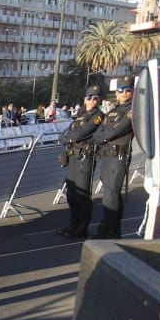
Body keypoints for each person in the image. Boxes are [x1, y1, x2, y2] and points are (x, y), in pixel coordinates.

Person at [55, 86, 107, 240]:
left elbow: (82, 133)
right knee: (71, 193)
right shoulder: (80, 116)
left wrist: (71, 137)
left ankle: (82, 227)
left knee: (82, 194)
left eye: (96, 98)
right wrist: (70, 137)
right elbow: (63, 135)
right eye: (90, 97)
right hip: (73, 156)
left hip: (85, 156)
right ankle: (73, 224)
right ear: (85, 99)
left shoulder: (98, 116)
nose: (92, 100)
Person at [92, 76, 136, 239]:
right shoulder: (113, 111)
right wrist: (102, 137)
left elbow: (116, 131)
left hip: (118, 156)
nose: (123, 93)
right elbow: (99, 131)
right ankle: (114, 228)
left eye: (127, 90)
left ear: (133, 92)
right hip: (106, 156)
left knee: (111, 194)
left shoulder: (132, 111)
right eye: (120, 90)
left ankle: (107, 227)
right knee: (111, 193)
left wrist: (103, 137)